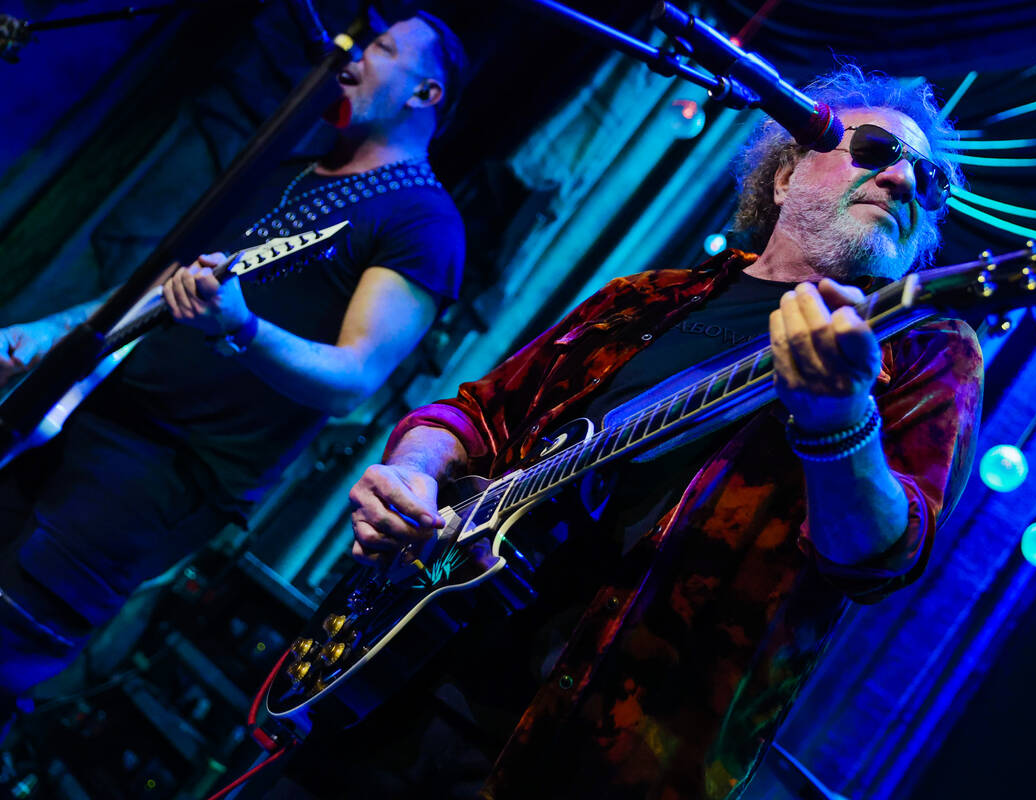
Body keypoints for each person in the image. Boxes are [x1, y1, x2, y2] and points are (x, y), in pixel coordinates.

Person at [339, 64, 983, 800]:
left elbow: (877, 558)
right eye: (873, 151)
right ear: (781, 177)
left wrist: (840, 420)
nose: (903, 181)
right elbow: (477, 412)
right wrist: (416, 470)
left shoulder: (922, 348)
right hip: (397, 669)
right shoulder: (643, 299)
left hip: (582, 761)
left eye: (928, 183)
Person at [0, 9, 468, 720]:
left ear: (424, 93)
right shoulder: (291, 166)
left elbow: (354, 378)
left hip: (174, 472)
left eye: (378, 46)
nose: (351, 53)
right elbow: (165, 287)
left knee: (14, 635)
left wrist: (243, 328)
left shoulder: (423, 221)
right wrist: (47, 333)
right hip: (97, 423)